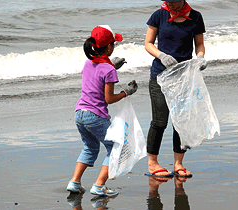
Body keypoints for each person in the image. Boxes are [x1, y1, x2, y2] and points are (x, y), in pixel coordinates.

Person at [66, 25, 138, 196]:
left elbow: (96, 76)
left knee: (90, 147)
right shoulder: (109, 69)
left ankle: (74, 182)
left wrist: (112, 65)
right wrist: (126, 92)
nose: (114, 46)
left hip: (80, 114)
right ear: (108, 47)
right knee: (115, 147)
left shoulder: (87, 63)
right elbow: (108, 99)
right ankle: (99, 185)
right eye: (114, 43)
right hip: (96, 116)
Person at [144, 0, 207, 178]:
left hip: (184, 75)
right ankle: (152, 163)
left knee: (181, 120)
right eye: (168, 2)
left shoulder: (195, 16)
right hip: (160, 76)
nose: (171, 6)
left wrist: (200, 58)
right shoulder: (159, 15)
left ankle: (178, 163)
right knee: (159, 121)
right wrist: (161, 55)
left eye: (175, 2)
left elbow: (199, 44)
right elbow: (148, 43)